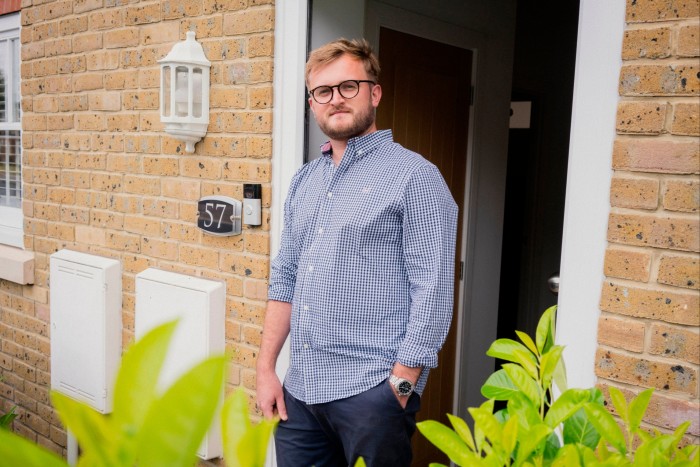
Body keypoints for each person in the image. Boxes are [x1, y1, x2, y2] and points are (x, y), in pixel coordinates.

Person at [256, 37, 458, 467]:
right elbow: (286, 276)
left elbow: (434, 290)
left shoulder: (416, 177)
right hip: (300, 392)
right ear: (313, 104)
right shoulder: (305, 181)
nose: (336, 100)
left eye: (349, 86)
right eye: (323, 92)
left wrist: (400, 389)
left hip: (370, 393)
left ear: (374, 92)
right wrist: (266, 369)